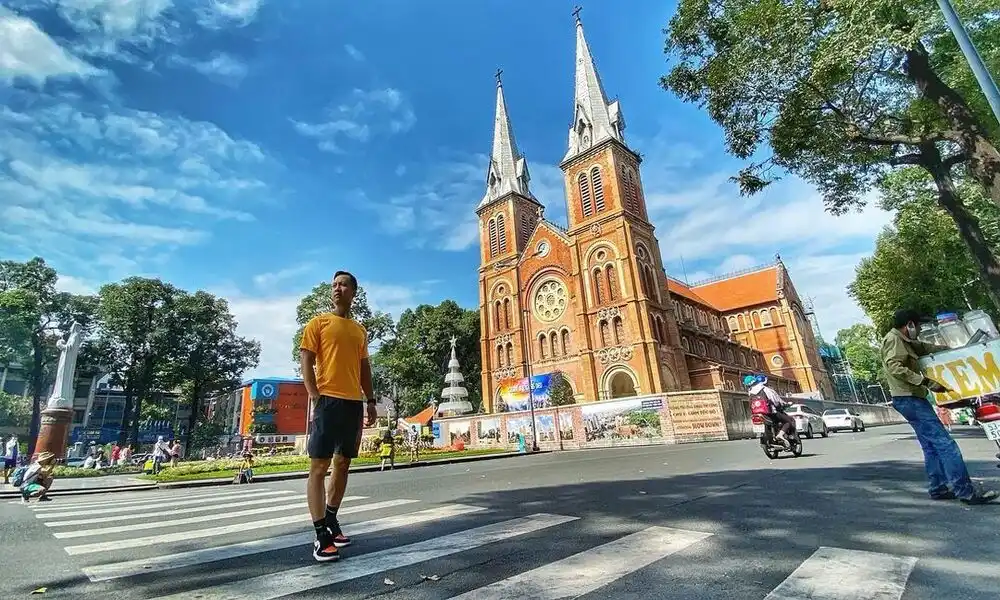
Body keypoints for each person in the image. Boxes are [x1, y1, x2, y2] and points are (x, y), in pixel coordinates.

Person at [300, 271, 377, 563]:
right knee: (319, 466)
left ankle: (331, 518)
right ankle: (320, 536)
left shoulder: (359, 330)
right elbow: (306, 359)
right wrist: (314, 395)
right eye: (334, 285)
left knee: (343, 464)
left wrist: (370, 401)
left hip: (352, 404)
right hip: (327, 401)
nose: (337, 288)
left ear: (353, 291)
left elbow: (365, 369)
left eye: (343, 284)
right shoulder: (318, 323)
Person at [882, 309, 998, 505]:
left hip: (909, 399)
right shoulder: (894, 340)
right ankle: (966, 492)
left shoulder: (906, 341)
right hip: (910, 399)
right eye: (917, 326)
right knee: (946, 445)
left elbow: (923, 347)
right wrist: (925, 381)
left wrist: (951, 350)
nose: (918, 331)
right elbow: (894, 366)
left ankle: (938, 488)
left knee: (931, 446)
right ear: (909, 325)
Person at [745, 374, 796, 445]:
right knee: (788, 421)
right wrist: (781, 405)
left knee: (769, 424)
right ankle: (780, 435)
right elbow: (775, 401)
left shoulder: (750, 392)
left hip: (757, 414)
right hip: (770, 413)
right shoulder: (765, 389)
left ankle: (771, 439)